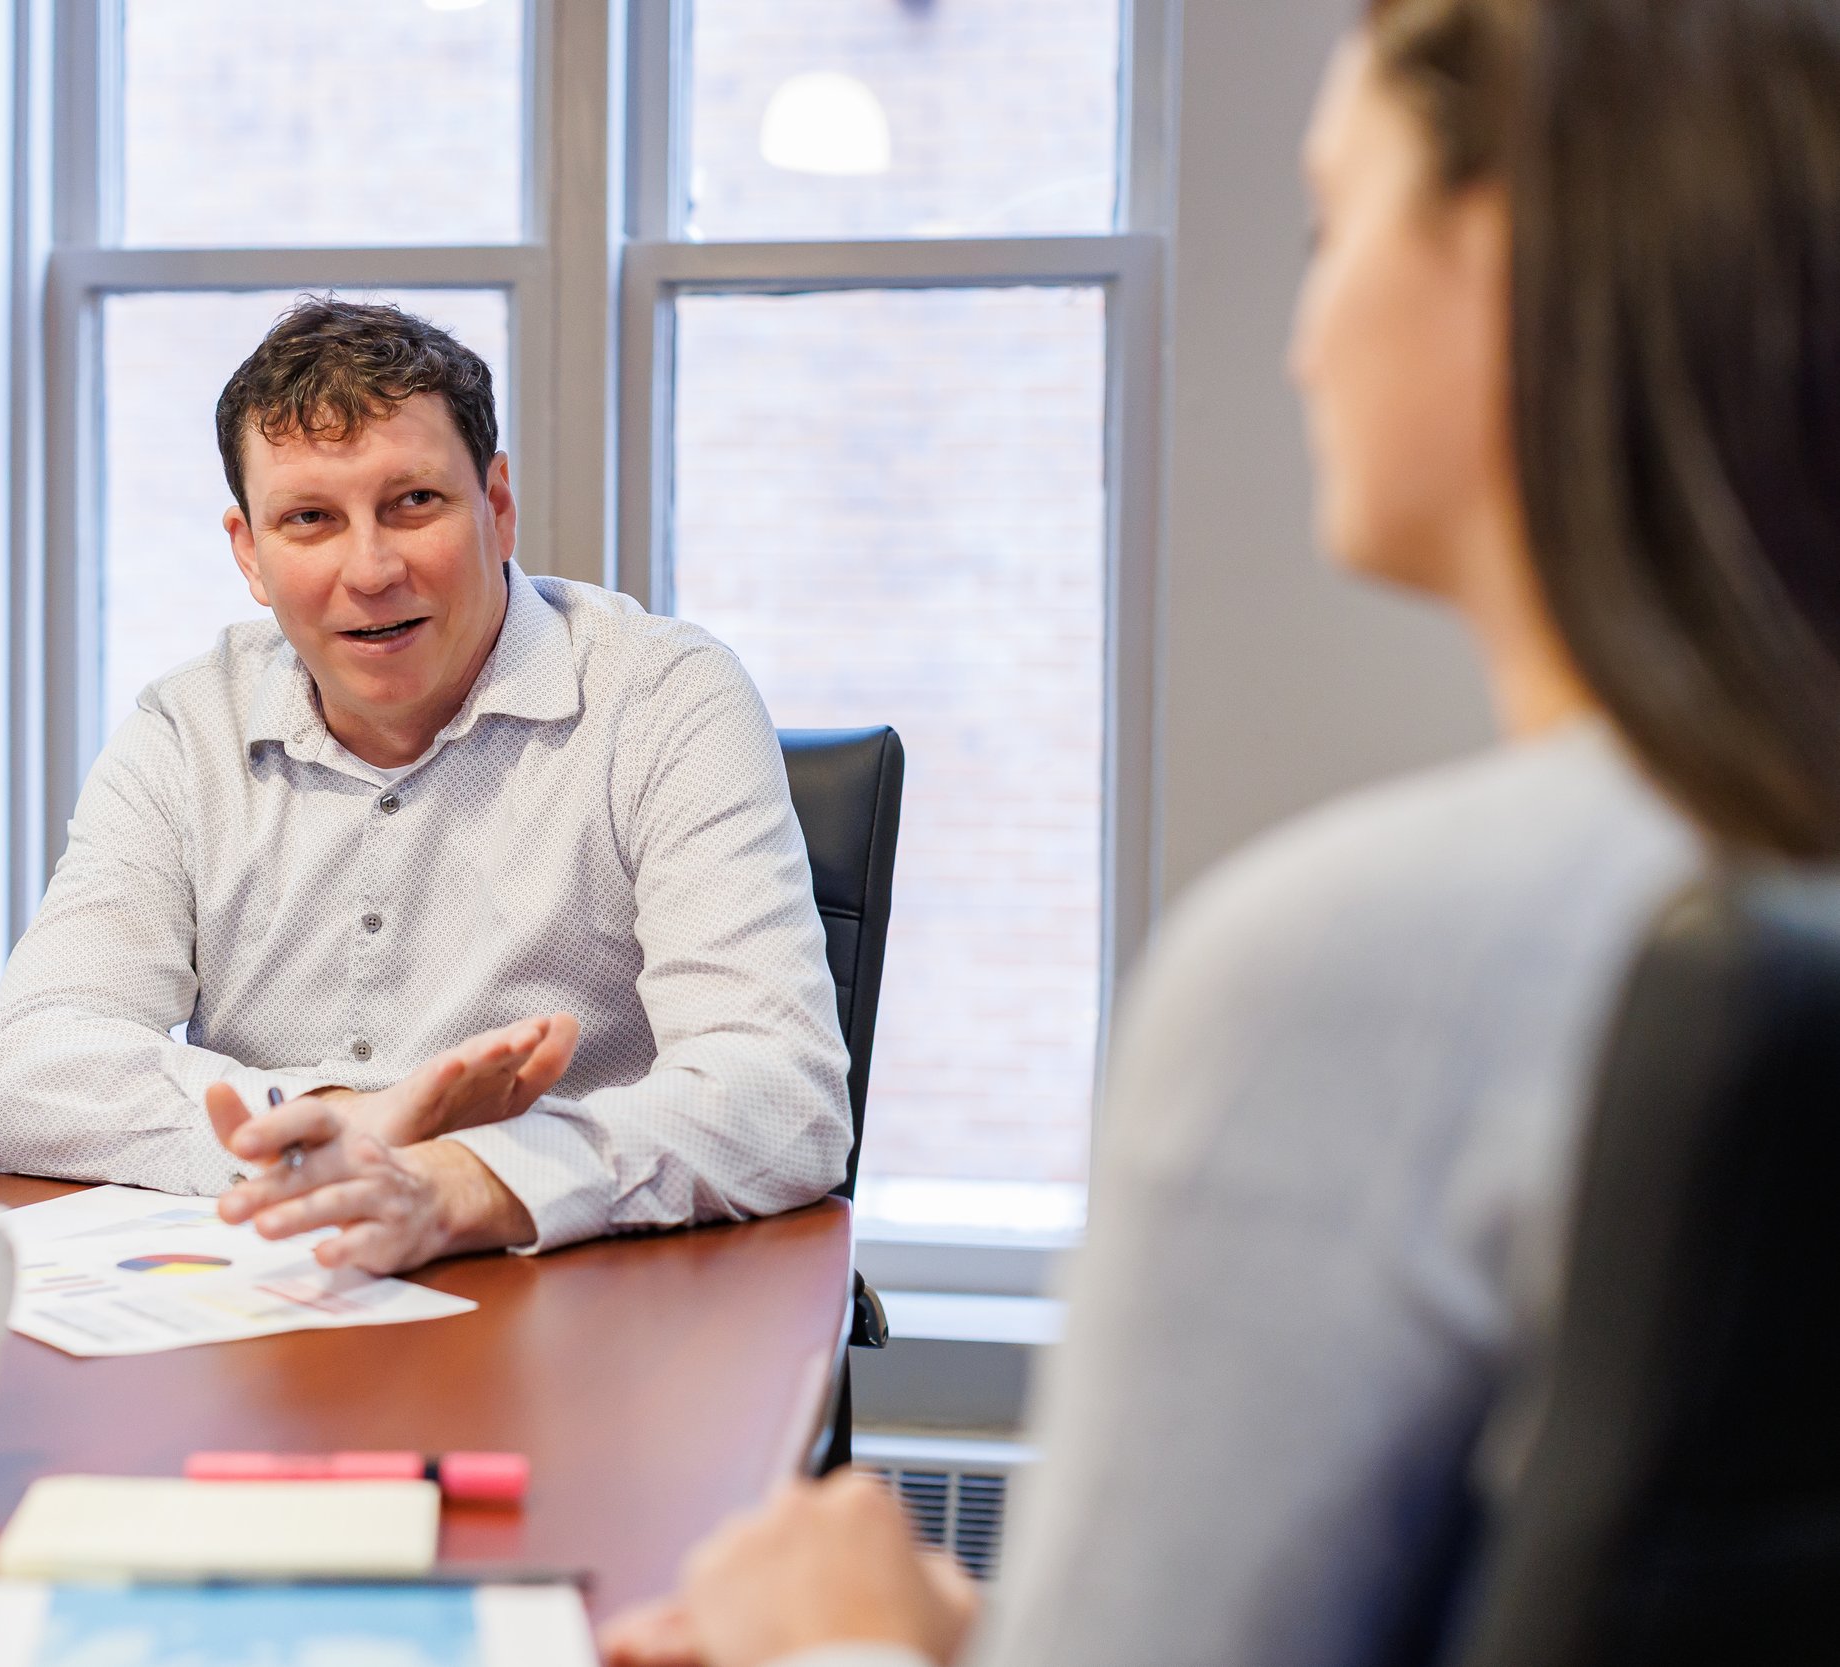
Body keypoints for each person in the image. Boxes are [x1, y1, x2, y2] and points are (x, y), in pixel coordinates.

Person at [604, 0, 1840, 1663]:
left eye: (1336, 227)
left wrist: (843, 1637)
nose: (1301, 336)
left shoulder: (1357, 968)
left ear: (1512, 261)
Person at [0, 298, 852, 1276]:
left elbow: (779, 1092)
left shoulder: (663, 697)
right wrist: (339, 1124)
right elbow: (20, 1068)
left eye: (412, 503)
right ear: (249, 550)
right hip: (280, 1293)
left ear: (496, 507)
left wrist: (459, 1180)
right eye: (309, 520)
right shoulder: (187, 726)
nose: (370, 568)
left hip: (574, 1288)